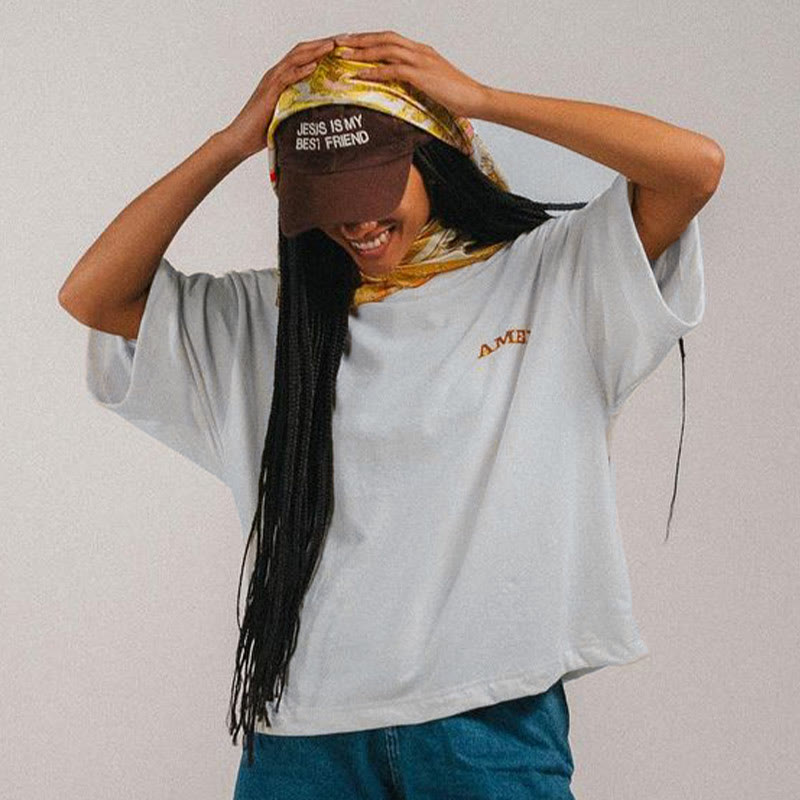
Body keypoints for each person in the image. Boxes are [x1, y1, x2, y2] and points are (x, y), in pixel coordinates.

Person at [59, 30, 722, 799]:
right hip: (302, 735)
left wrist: (483, 101)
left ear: (435, 158)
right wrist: (233, 142)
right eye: (325, 202)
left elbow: (693, 167)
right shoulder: (269, 321)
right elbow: (92, 295)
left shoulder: (553, 279)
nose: (355, 224)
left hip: (488, 723)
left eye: (374, 191)